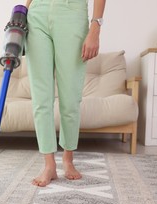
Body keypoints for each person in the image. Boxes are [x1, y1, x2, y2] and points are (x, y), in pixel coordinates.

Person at [25, 0, 106, 186]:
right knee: (40, 98)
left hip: (72, 12)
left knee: (70, 98)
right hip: (36, 14)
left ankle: (68, 159)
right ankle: (49, 165)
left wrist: (95, 27)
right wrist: (22, 13)